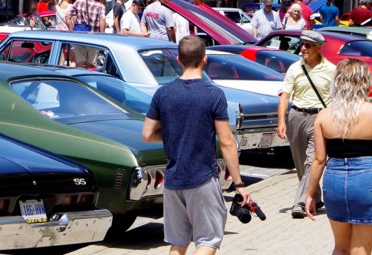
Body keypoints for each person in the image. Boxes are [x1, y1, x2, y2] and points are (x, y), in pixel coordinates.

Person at [142, 35, 253, 255]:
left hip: (173, 179)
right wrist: (239, 183)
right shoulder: (213, 94)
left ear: (179, 60)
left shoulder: (162, 93)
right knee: (208, 241)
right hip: (202, 178)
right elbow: (227, 141)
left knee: (178, 243)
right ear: (205, 59)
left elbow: (147, 134)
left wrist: (176, 134)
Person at [305, 60, 372, 255]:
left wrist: (310, 194)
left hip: (334, 178)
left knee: (341, 247)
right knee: (360, 248)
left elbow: (319, 160)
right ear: (365, 81)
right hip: (366, 181)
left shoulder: (324, 115)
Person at [277, 29, 336, 219]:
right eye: (301, 44)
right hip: (296, 116)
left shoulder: (331, 70)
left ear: (319, 48)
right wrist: (281, 121)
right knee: (301, 163)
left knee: (313, 160)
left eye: (308, 45)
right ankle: (316, 198)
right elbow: (285, 96)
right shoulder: (295, 68)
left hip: (320, 117)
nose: (303, 48)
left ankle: (301, 202)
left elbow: (335, 99)